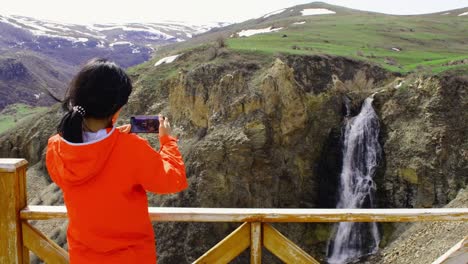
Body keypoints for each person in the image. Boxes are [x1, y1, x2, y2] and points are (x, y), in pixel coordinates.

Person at [46, 58, 188, 263]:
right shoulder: (131, 148)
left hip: (83, 256)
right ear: (117, 108)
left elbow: (82, 168)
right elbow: (173, 180)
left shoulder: (56, 146)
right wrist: (167, 141)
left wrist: (110, 136)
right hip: (131, 257)